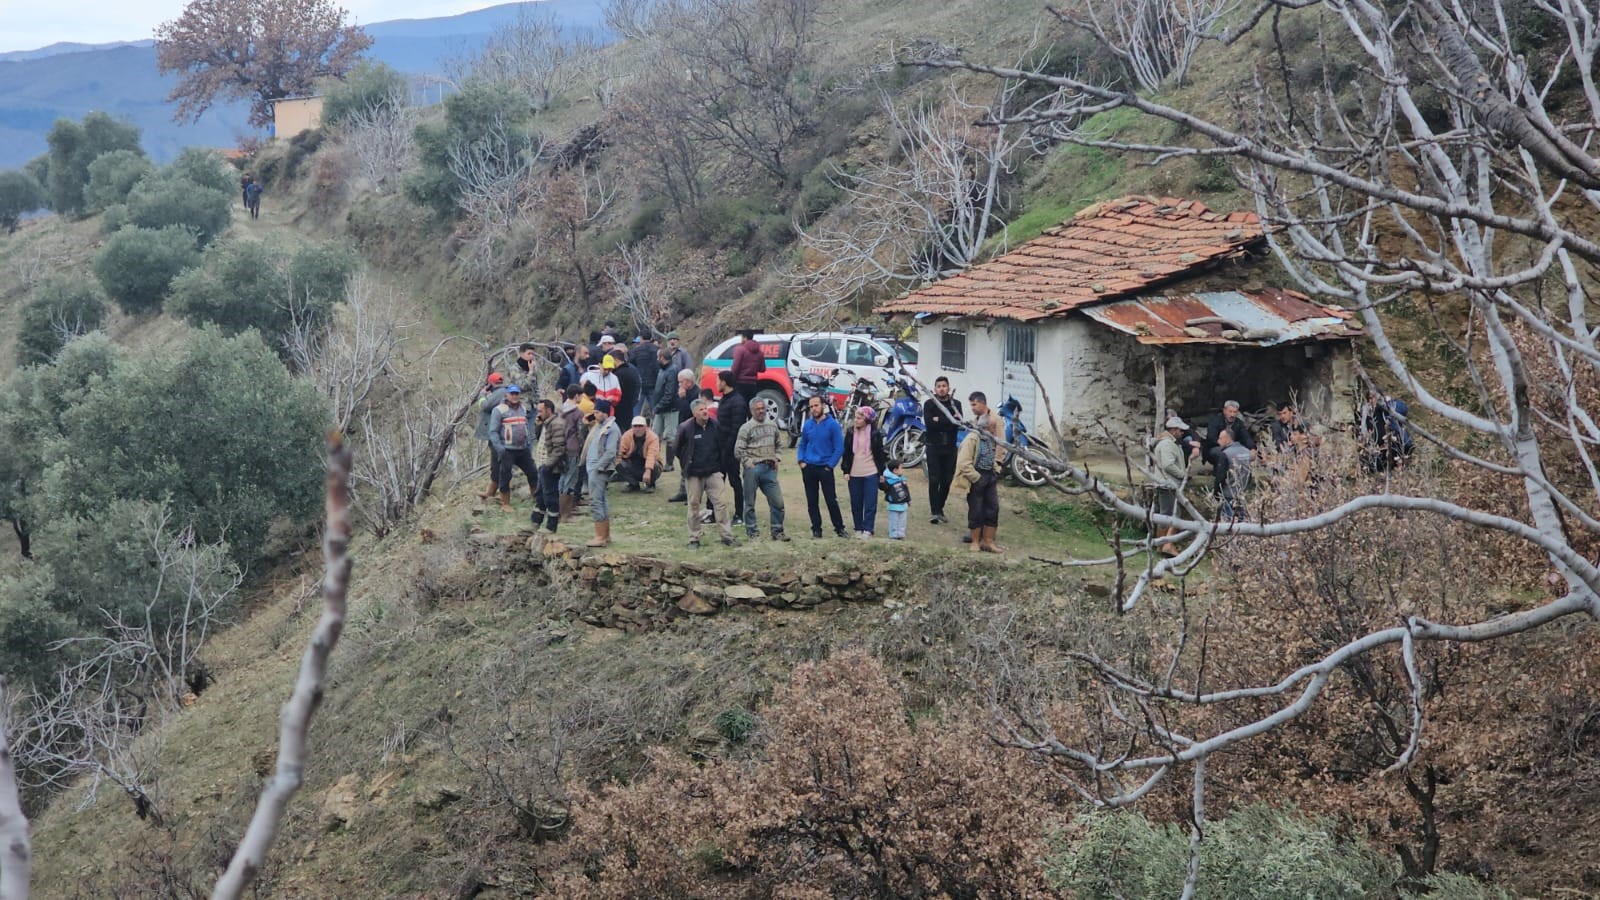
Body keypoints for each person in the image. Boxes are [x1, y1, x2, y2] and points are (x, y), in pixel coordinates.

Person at [677, 399, 737, 548]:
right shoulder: (685, 428)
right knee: (694, 505)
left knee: (721, 504)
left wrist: (719, 465)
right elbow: (677, 448)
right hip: (694, 473)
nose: (705, 411)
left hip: (713, 471)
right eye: (700, 410)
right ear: (694, 413)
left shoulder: (715, 425)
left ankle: (727, 536)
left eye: (705, 408)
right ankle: (694, 538)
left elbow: (721, 445)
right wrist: (687, 464)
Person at [954, 392, 1003, 553]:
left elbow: (1001, 448)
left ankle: (988, 541)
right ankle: (975, 541)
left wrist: (996, 468)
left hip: (990, 474)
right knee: (976, 509)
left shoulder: (993, 431)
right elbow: (963, 462)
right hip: (977, 475)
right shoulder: (972, 439)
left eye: (974, 404)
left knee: (993, 508)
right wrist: (976, 477)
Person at [735, 397, 789, 541]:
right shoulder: (746, 428)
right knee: (750, 503)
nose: (760, 411)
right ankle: (752, 532)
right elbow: (738, 450)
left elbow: (778, 443)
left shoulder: (772, 425)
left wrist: (777, 457)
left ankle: (777, 531)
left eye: (762, 408)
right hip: (753, 468)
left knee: (778, 502)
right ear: (752, 411)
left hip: (769, 468)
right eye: (757, 409)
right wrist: (748, 463)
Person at [797, 393, 847, 538]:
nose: (813, 409)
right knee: (812, 501)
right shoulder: (808, 425)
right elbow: (802, 444)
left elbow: (839, 448)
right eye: (811, 406)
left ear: (823, 406)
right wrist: (801, 461)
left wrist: (830, 466)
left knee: (831, 500)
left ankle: (839, 528)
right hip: (809, 467)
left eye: (816, 405)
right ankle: (816, 529)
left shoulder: (833, 425)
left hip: (825, 468)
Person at [488, 384, 537, 511]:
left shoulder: (523, 409)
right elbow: (493, 432)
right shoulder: (499, 410)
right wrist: (500, 449)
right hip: (507, 449)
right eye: (512, 394)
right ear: (507, 395)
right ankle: (505, 503)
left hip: (523, 449)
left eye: (517, 394)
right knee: (505, 476)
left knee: (533, 472)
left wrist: (529, 443)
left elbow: (526, 426)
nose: (515, 396)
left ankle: (536, 499)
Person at [840, 406, 886, 538]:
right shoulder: (850, 432)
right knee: (856, 501)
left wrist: (881, 472)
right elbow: (847, 453)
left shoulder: (875, 433)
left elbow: (880, 454)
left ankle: (868, 528)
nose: (856, 420)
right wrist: (846, 470)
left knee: (870, 502)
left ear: (867, 420)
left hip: (871, 471)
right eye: (855, 417)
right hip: (854, 472)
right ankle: (858, 527)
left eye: (859, 418)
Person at [922, 376, 963, 524]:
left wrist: (939, 420)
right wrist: (947, 420)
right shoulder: (929, 404)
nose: (941, 388)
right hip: (933, 447)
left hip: (950, 448)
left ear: (948, 388)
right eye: (938, 386)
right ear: (935, 389)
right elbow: (929, 424)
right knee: (934, 479)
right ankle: (934, 511)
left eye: (944, 386)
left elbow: (957, 422)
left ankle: (940, 508)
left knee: (947, 480)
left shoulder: (956, 404)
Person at [583, 399, 621, 547]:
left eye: (597, 412)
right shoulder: (600, 426)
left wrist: (599, 467)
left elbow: (611, 452)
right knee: (601, 500)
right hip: (593, 468)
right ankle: (605, 535)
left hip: (599, 469)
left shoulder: (611, 429)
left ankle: (600, 536)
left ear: (605, 412)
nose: (595, 415)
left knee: (596, 501)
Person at [1152, 416, 1191, 555]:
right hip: (1168, 484)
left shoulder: (1168, 443)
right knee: (1173, 515)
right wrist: (1182, 474)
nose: (1182, 433)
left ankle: (1160, 544)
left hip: (1166, 483)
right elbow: (1168, 464)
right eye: (1180, 430)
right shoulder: (1168, 444)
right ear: (1174, 430)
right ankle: (1168, 544)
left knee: (1165, 515)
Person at [716, 371, 749, 524]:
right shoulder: (725, 399)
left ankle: (739, 514)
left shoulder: (737, 402)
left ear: (724, 382)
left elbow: (736, 429)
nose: (717, 384)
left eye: (718, 381)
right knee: (716, 480)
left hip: (731, 449)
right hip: (721, 447)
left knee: (735, 481)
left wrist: (728, 449)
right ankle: (713, 510)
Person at [531, 398, 566, 533]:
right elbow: (539, 438)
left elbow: (559, 449)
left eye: (540, 411)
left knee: (550, 495)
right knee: (540, 494)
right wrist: (538, 425)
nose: (538, 413)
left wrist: (548, 465)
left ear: (548, 410)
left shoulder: (557, 424)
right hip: (542, 465)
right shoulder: (545, 423)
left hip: (550, 467)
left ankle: (551, 526)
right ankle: (536, 521)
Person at [666, 369, 699, 503]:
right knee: (684, 460)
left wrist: (683, 398)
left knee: (692, 463)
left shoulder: (697, 393)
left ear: (688, 381)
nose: (679, 385)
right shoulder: (683, 392)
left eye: (681, 382)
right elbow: (676, 406)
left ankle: (692, 493)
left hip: (693, 431)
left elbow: (691, 412)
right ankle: (683, 491)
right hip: (683, 429)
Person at [1359, 390, 1413, 472]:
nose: (1371, 400)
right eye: (1369, 398)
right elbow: (1364, 431)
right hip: (1378, 448)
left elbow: (1404, 410)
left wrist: (1388, 404)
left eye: (1374, 397)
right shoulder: (1367, 412)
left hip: (1393, 443)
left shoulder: (1389, 406)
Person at [474, 372, 508, 500]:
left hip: (497, 433)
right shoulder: (502, 392)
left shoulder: (499, 393)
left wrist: (482, 395)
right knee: (495, 462)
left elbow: (485, 406)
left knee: (498, 462)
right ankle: (492, 491)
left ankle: (500, 492)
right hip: (498, 432)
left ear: (490, 383)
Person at [558, 385, 587, 523]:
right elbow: (580, 433)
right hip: (573, 448)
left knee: (562, 477)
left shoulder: (560, 409)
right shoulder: (577, 413)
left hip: (559, 448)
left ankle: (557, 510)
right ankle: (565, 513)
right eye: (580, 395)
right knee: (570, 478)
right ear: (576, 396)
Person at [617, 416, 662, 492]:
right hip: (633, 464)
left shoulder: (653, 437)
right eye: (635, 426)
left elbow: (651, 455)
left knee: (655, 464)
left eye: (640, 426)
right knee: (618, 463)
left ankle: (650, 484)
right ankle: (633, 484)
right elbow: (620, 453)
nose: (638, 428)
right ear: (632, 427)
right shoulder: (626, 436)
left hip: (648, 464)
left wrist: (648, 471)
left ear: (646, 427)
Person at [1216, 429, 1253, 521]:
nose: (1218, 441)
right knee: (1242, 521)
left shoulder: (1225, 454)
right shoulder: (1247, 452)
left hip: (1228, 494)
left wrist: (1216, 492)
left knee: (1228, 523)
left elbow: (1221, 476)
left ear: (1228, 439)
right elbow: (1249, 474)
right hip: (1242, 493)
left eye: (1220, 438)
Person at [729, 329, 764, 401]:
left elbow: (735, 367)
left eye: (741, 337)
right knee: (751, 406)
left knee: (740, 405)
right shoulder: (759, 352)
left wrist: (732, 380)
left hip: (740, 383)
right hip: (753, 384)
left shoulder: (740, 349)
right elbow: (762, 369)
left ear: (745, 337)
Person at [630, 334, 661, 413]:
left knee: (637, 408)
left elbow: (631, 364)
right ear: (651, 338)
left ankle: (635, 423)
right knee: (654, 409)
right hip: (654, 382)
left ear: (641, 338)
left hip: (640, 382)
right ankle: (655, 424)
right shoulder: (657, 350)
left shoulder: (636, 350)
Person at [881, 459, 911, 540]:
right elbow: (884, 488)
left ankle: (901, 534)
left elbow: (906, 490)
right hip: (894, 504)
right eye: (901, 468)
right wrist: (881, 482)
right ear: (895, 470)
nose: (902, 470)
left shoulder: (902, 479)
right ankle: (893, 535)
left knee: (902, 521)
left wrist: (908, 499)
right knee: (894, 521)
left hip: (903, 504)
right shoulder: (888, 481)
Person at [611, 349, 642, 426]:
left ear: (616, 360)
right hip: (630, 408)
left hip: (618, 410)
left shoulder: (617, 375)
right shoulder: (633, 371)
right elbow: (638, 387)